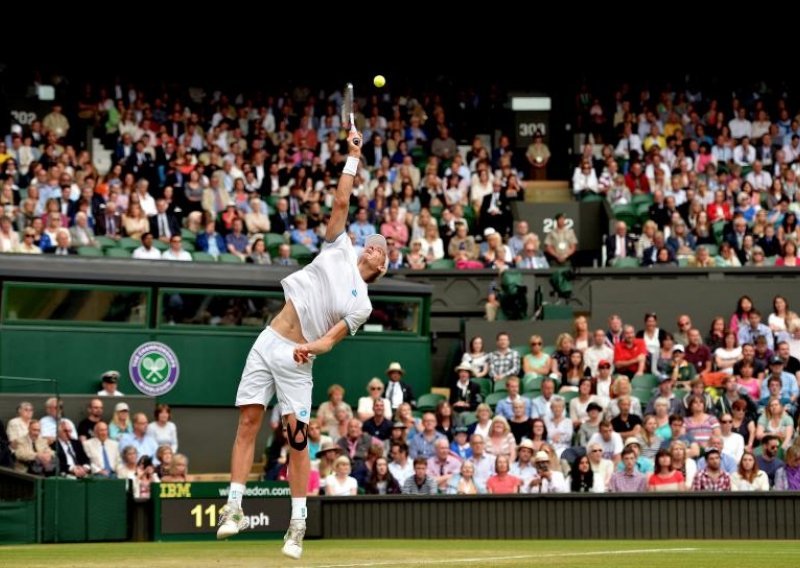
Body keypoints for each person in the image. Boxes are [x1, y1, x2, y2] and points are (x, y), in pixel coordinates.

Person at [218, 129, 388, 560]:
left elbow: (331, 340)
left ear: (380, 265)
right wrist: (353, 157)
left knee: (296, 440)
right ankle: (233, 507)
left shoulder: (362, 303)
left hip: (298, 360)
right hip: (269, 340)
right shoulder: (338, 245)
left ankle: (297, 524)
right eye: (373, 243)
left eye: (381, 249)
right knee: (248, 424)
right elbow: (341, 203)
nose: (374, 245)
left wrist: (310, 349)